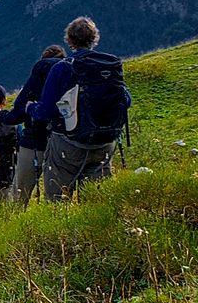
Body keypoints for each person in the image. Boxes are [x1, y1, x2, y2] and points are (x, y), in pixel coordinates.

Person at [34, 16, 131, 202]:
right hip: (104, 142)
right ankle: (94, 230)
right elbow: (125, 100)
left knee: (58, 200)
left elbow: (46, 111)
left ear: (69, 40)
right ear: (95, 38)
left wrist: (31, 108)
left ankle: (60, 229)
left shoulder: (62, 68)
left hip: (68, 142)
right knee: (96, 201)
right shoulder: (111, 65)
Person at [5, 43, 65, 205]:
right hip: (63, 142)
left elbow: (18, 113)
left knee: (19, 193)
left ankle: (14, 225)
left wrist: (2, 116)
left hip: (33, 142)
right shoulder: (71, 75)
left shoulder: (38, 75)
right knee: (59, 194)